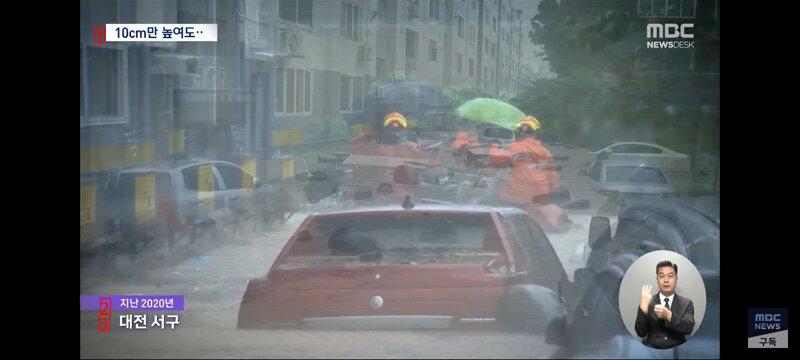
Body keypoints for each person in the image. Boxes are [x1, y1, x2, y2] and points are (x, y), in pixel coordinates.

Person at [635, 260, 696, 349]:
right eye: (662, 276)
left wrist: (669, 315)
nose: (666, 280)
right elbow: (641, 333)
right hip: (652, 350)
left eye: (670, 276)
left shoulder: (687, 303)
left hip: (678, 350)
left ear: (676, 279)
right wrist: (643, 309)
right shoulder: (647, 301)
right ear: (657, 279)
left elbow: (688, 328)